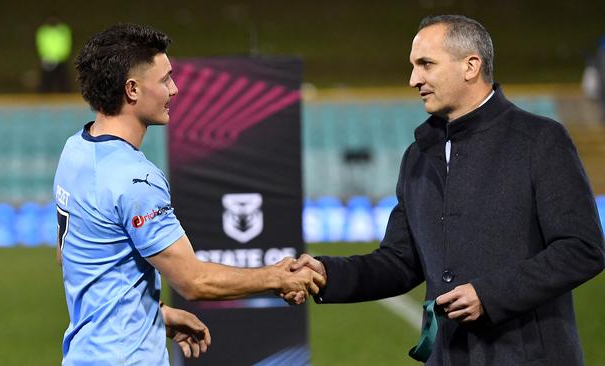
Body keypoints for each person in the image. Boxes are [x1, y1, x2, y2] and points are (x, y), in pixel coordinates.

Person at [290, 15, 605, 365]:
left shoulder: (540, 140)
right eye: (412, 66)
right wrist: (327, 273)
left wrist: (489, 295)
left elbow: (582, 248)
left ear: (471, 66)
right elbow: (399, 261)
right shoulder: (418, 155)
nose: (413, 79)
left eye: (426, 64)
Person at [53, 24, 323, 366]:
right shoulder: (136, 179)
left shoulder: (75, 150)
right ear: (132, 89)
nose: (175, 89)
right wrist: (276, 277)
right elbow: (193, 281)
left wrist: (156, 315)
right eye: (165, 79)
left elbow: (72, 257)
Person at [36, 17, 72, 93]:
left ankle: (64, 97)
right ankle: (45, 98)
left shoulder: (63, 30)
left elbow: (67, 44)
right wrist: (45, 56)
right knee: (46, 82)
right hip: (47, 59)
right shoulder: (43, 31)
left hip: (61, 59)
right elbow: (40, 44)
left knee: (63, 81)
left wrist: (62, 56)